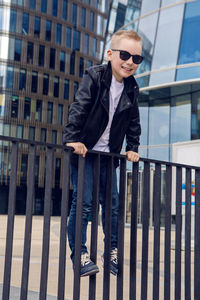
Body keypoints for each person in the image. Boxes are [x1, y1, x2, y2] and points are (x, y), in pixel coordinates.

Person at [63, 29, 142, 277]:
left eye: (136, 59)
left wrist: (132, 147)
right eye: (125, 55)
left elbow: (133, 121)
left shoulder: (132, 88)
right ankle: (80, 255)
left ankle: (112, 252)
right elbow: (80, 105)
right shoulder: (95, 76)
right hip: (85, 151)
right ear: (110, 54)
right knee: (85, 204)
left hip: (108, 156)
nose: (130, 62)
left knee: (113, 206)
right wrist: (73, 139)